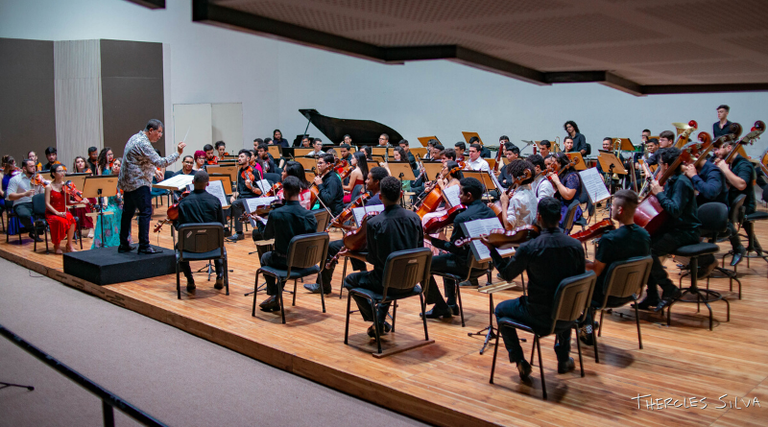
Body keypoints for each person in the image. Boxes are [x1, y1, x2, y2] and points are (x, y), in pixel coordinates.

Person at [484, 197, 585, 379]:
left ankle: (520, 361)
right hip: (569, 315)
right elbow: (577, 282)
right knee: (563, 298)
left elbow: (507, 274)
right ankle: (563, 358)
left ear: (538, 216)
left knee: (500, 310)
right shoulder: (576, 245)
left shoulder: (530, 247)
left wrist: (492, 250)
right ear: (560, 216)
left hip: (539, 317)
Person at [343, 176, 424, 337]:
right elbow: (419, 248)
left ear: (380, 197)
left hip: (386, 283)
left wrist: (351, 254)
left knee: (350, 280)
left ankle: (377, 320)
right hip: (411, 279)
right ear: (401, 194)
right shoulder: (415, 217)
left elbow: (373, 260)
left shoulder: (375, 223)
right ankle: (379, 320)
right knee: (388, 272)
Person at [637, 147, 703, 311]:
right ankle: (652, 294)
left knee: (648, 252)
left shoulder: (681, 182)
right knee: (645, 244)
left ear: (666, 165)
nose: (660, 168)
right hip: (674, 228)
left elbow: (675, 210)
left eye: (660, 164)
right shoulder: (674, 180)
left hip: (686, 231)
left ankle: (669, 288)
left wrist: (659, 193)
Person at [581, 189, 650, 344]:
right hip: (631, 292)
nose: (610, 209)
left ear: (620, 210)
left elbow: (596, 271)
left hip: (605, 295)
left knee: (576, 282)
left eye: (612, 206)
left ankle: (585, 328)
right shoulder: (644, 235)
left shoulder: (610, 239)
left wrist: (579, 260)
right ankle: (587, 322)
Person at [308, 166, 390, 295]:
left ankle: (322, 285)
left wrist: (342, 227)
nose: (366, 181)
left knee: (333, 246)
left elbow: (360, 232)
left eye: (369, 179)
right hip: (380, 243)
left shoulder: (372, 203)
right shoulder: (384, 198)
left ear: (377, 182)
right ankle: (362, 271)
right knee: (351, 240)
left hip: (369, 245)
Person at [424, 178, 496, 318]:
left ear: (469, 196)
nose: (458, 197)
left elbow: (453, 248)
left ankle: (441, 306)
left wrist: (430, 239)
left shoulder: (462, 217)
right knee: (443, 259)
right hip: (485, 265)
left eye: (461, 193)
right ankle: (451, 304)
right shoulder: (490, 212)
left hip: (465, 267)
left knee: (424, 266)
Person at [118, 119, 185, 254]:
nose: (160, 135)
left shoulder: (135, 137)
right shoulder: (144, 143)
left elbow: (138, 160)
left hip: (128, 182)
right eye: (159, 132)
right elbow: (161, 161)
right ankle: (144, 245)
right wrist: (178, 153)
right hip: (138, 183)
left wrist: (154, 170)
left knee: (128, 213)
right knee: (146, 212)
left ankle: (124, 243)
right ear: (150, 130)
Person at [257, 176, 319, 312]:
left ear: (284, 192)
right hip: (306, 261)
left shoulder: (276, 213)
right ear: (300, 190)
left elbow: (266, 236)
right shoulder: (309, 215)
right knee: (287, 255)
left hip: (284, 262)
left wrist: (260, 222)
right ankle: (275, 296)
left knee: (265, 257)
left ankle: (274, 294)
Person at [174, 170, 227, 292]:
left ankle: (190, 280)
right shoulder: (215, 201)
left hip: (189, 247)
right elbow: (221, 225)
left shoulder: (184, 202)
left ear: (192, 182)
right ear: (207, 184)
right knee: (219, 242)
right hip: (213, 247)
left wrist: (174, 222)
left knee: (178, 247)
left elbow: (179, 227)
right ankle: (219, 275)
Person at [716, 140, 756, 266]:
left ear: (729, 147)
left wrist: (724, 169)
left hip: (743, 206)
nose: (716, 152)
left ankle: (738, 247)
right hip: (731, 203)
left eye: (718, 149)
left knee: (717, 214)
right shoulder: (731, 163)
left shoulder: (744, 164)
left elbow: (741, 185)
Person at [7, 158, 46, 242]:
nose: (34, 168)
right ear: (24, 168)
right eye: (31, 166)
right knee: (25, 215)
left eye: (34, 166)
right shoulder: (15, 179)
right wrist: (24, 194)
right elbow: (10, 196)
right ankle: (32, 230)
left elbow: (43, 192)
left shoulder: (38, 178)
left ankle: (38, 230)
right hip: (21, 203)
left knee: (49, 212)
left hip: (36, 203)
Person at [227, 149, 261, 242]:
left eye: (242, 157)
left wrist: (251, 187)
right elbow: (238, 189)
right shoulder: (239, 171)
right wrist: (233, 196)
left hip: (251, 197)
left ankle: (239, 233)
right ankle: (225, 228)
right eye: (239, 157)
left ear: (248, 158)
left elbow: (260, 191)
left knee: (236, 204)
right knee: (227, 199)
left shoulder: (254, 172)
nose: (239, 158)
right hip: (242, 197)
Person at [44, 164, 78, 254]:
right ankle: (57, 245)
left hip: (64, 211)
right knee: (60, 221)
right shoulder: (48, 187)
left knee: (72, 220)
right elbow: (47, 204)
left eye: (63, 170)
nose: (62, 173)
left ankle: (69, 245)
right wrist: (57, 213)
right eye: (59, 171)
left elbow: (69, 202)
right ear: (53, 173)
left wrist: (80, 201)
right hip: (52, 212)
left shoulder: (66, 186)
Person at [93, 159, 126, 249]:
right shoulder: (108, 178)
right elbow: (105, 193)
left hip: (119, 204)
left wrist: (121, 197)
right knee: (103, 213)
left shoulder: (124, 179)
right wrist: (105, 203)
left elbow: (125, 194)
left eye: (119, 165)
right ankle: (102, 241)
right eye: (115, 164)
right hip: (110, 202)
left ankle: (114, 240)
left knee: (113, 213)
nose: (116, 166)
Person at [495, 160, 537, 230]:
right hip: (530, 234)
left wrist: (504, 204)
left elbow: (508, 226)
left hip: (518, 236)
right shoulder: (532, 194)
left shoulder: (517, 198)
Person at [547, 152, 582, 230]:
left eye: (553, 162)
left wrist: (557, 182)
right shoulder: (561, 173)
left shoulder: (572, 176)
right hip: (560, 205)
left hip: (568, 207)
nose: (551, 165)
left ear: (560, 163)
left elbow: (568, 196)